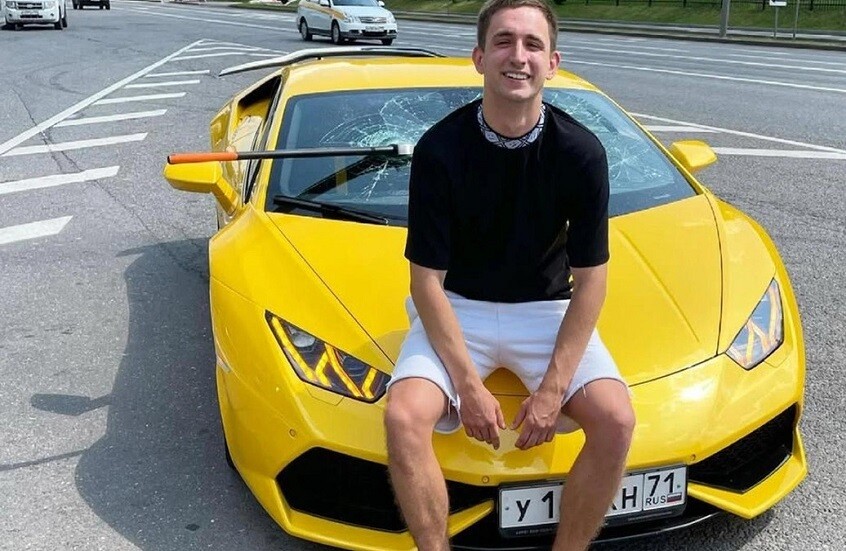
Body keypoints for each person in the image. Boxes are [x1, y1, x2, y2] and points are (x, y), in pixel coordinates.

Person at [383, 0, 636, 549]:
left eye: (532, 44)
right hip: (458, 306)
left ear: (552, 63)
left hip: (546, 311)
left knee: (616, 421)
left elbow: (592, 281)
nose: (517, 56)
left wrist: (552, 391)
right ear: (479, 58)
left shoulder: (581, 153)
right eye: (503, 41)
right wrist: (468, 387)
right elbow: (425, 282)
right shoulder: (439, 149)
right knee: (403, 417)